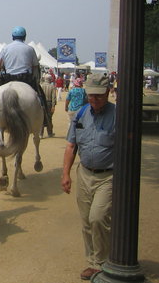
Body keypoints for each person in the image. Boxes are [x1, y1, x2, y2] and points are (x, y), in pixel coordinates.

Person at [61, 73, 115, 280]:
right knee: (86, 221)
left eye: (99, 96)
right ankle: (93, 262)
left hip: (108, 176)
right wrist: (65, 173)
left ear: (108, 93)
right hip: (84, 174)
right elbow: (71, 145)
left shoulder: (117, 116)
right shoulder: (81, 113)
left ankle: (102, 262)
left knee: (98, 218)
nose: (94, 100)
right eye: (91, 95)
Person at [0, 26, 49, 120]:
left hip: (7, 78)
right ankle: (45, 118)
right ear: (24, 37)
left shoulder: (5, 49)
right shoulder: (30, 49)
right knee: (41, 97)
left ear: (12, 37)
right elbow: (35, 67)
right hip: (26, 79)